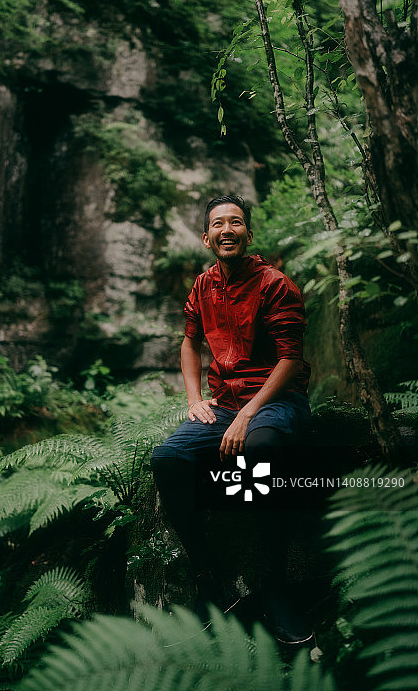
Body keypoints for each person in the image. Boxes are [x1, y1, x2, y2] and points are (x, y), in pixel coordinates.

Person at [151, 194, 314, 648]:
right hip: (221, 404)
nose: (228, 229)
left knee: (260, 453)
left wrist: (247, 413)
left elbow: (291, 359)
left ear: (247, 233)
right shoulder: (202, 286)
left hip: (277, 399)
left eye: (236, 222)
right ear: (207, 238)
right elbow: (189, 342)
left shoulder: (276, 284)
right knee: (167, 458)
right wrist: (193, 398)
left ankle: (276, 585)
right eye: (218, 224)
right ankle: (209, 574)